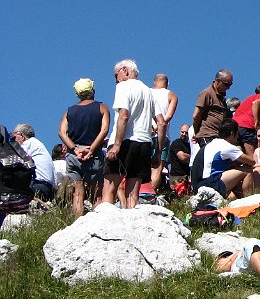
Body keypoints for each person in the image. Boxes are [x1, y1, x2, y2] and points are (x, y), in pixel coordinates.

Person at [104, 59, 164, 209]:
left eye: (115, 75)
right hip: (144, 142)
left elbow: (124, 115)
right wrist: (158, 152)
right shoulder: (148, 91)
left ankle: (105, 227)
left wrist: (117, 145)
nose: (116, 80)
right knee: (133, 194)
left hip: (125, 140)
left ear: (124, 70)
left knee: (109, 189)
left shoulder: (123, 87)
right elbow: (161, 122)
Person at [58, 77, 110, 217]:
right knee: (96, 194)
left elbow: (62, 132)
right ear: (92, 90)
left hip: (74, 155)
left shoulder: (69, 111)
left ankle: (77, 222)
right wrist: (91, 149)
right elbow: (104, 130)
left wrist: (75, 149)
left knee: (77, 192)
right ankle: (96, 223)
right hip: (93, 154)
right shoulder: (102, 107)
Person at [197, 119, 259, 198]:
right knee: (247, 170)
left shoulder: (211, 144)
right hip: (213, 182)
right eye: (237, 134)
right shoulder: (227, 146)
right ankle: (249, 200)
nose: (237, 138)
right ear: (232, 133)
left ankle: (240, 199)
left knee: (235, 174)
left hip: (202, 182)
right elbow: (252, 161)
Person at [192, 70, 234, 167]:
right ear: (218, 81)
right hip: (207, 134)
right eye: (226, 84)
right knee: (210, 160)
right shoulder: (207, 93)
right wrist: (197, 132)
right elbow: (196, 115)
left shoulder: (221, 97)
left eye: (230, 85)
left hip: (218, 135)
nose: (228, 88)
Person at [10, 124, 56, 202]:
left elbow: (13, 162)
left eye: (14, 137)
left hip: (37, 186)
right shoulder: (37, 145)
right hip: (47, 189)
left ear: (22, 135)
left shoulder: (28, 144)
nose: (13, 141)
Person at [150, 74, 178, 190]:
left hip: (146, 133)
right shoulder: (171, 95)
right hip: (163, 135)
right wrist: (159, 126)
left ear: (154, 82)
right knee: (158, 167)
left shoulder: (147, 92)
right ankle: (150, 194)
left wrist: (152, 126)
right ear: (168, 83)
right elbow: (169, 115)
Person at [167, 124, 192, 190]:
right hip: (177, 177)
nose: (184, 134)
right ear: (179, 132)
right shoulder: (176, 143)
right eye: (182, 132)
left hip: (187, 177)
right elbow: (182, 157)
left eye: (186, 133)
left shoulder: (190, 146)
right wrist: (193, 157)